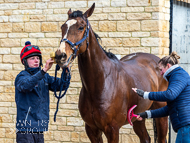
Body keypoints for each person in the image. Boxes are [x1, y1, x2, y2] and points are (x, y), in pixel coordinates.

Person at [15, 41, 69, 143]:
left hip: (39, 130)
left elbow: (62, 85)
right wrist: (43, 71)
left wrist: (65, 70)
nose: (36, 60)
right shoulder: (21, 76)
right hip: (25, 130)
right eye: (32, 58)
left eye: (38, 58)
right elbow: (26, 85)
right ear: (24, 62)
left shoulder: (45, 77)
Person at [132, 51, 190, 143]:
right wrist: (146, 114)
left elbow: (169, 95)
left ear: (168, 66)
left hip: (186, 128)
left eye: (161, 69)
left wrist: (145, 94)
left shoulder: (178, 75)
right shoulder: (176, 76)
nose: (161, 73)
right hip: (184, 127)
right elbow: (168, 109)